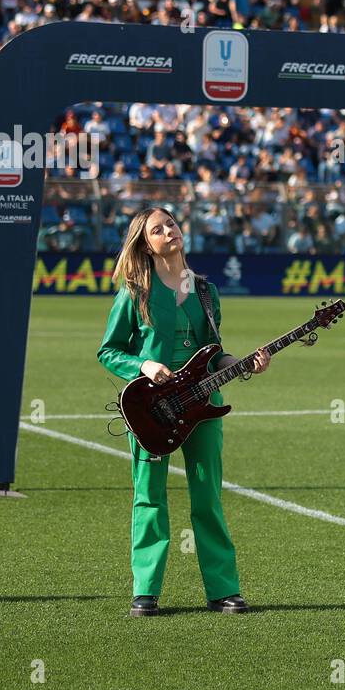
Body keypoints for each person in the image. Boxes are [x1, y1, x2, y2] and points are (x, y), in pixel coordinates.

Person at [97, 207, 269, 616]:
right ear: (146, 243)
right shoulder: (134, 292)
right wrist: (144, 365)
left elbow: (214, 352)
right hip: (150, 410)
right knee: (149, 496)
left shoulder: (206, 291)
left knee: (207, 495)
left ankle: (223, 590)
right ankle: (146, 590)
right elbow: (108, 350)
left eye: (171, 224)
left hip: (201, 407)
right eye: (158, 229)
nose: (169, 231)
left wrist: (240, 364)